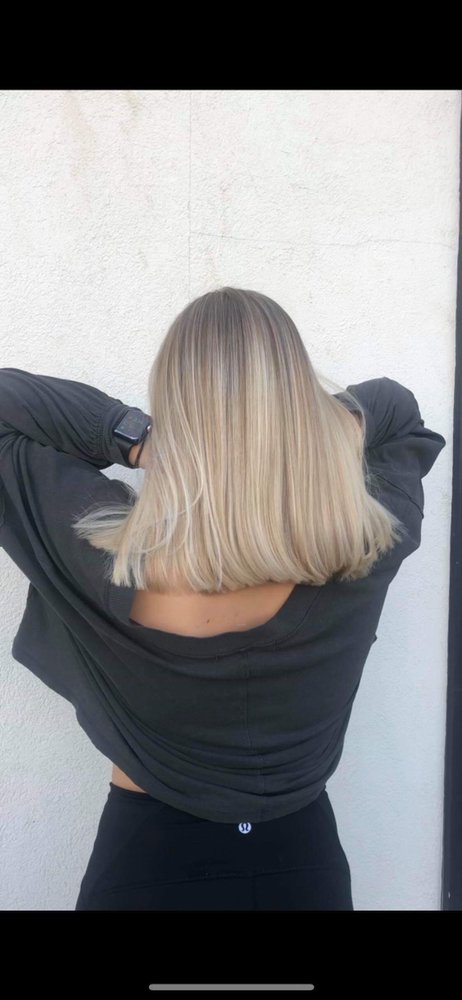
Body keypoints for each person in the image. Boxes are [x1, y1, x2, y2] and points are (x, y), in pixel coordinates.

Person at [0, 287, 446, 910]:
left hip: (145, 868)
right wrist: (288, 435)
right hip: (304, 868)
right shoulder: (367, 545)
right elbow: (395, 406)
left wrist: (142, 440)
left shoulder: (95, 552)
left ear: (175, 402)